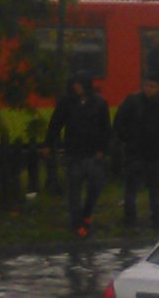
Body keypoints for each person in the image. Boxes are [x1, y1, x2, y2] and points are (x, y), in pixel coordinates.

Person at [43, 72, 112, 236]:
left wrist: (103, 149)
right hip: (74, 153)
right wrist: (48, 143)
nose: (76, 86)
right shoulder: (66, 103)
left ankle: (87, 212)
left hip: (93, 153)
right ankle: (77, 223)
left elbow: (105, 128)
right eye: (74, 83)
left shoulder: (99, 103)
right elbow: (55, 124)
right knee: (74, 190)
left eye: (79, 83)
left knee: (95, 187)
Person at [114, 74, 159, 230]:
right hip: (136, 153)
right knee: (131, 188)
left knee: (155, 189)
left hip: (156, 154)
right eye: (146, 85)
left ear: (158, 87)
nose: (148, 89)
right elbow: (119, 123)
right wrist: (128, 140)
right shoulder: (132, 101)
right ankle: (130, 220)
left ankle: (156, 221)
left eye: (152, 86)